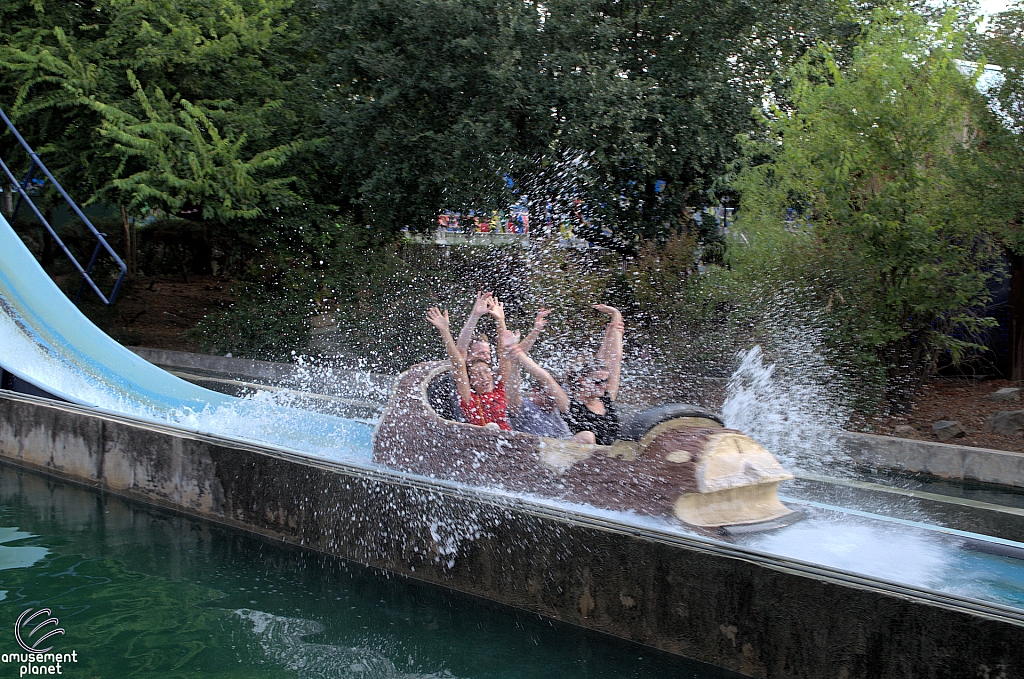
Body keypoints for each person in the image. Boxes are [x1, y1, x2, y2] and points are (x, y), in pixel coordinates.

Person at [427, 305, 512, 431]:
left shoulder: (499, 389)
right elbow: (458, 363)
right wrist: (445, 331)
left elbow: (504, 356)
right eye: (478, 375)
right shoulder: (470, 399)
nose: (484, 377)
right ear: (471, 381)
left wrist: (500, 321)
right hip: (480, 440)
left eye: (486, 372)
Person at [562, 305, 624, 445]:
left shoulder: (606, 398)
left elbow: (615, 361)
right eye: (598, 382)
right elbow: (545, 379)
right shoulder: (569, 403)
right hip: (581, 459)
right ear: (582, 380)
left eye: (605, 381)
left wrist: (616, 317)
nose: (604, 385)